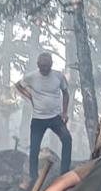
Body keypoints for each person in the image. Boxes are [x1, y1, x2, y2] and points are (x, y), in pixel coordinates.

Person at [16, 52, 72, 183]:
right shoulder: (32, 77)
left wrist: (64, 113)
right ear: (38, 65)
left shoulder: (58, 76)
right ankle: (33, 176)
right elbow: (18, 85)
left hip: (55, 118)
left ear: (51, 64)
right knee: (34, 148)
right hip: (38, 119)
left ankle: (64, 172)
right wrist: (28, 95)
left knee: (67, 139)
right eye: (42, 66)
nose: (45, 68)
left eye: (47, 66)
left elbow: (66, 93)